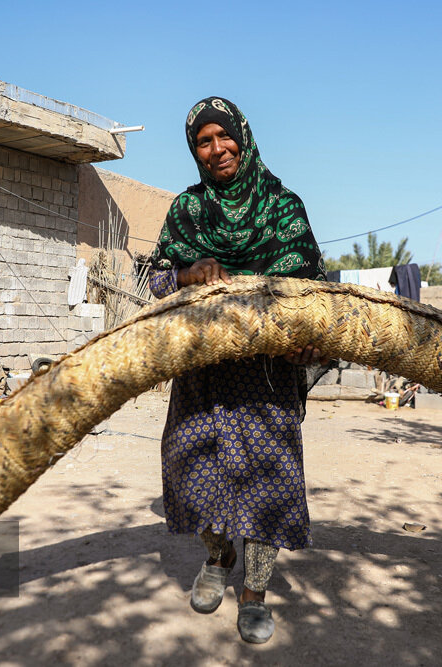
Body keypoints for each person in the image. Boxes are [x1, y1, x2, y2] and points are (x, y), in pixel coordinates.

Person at [148, 96, 326, 644]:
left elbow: (313, 290)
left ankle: (254, 594)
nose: (216, 149)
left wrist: (304, 343)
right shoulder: (187, 211)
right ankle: (218, 558)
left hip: (266, 377)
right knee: (190, 468)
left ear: (242, 138)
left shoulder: (283, 206)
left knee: (266, 485)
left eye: (223, 137)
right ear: (193, 151)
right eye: (203, 141)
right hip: (202, 372)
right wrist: (185, 275)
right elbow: (152, 281)